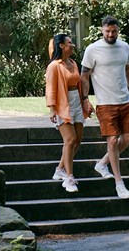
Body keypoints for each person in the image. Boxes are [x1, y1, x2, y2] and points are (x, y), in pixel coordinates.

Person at [80, 15, 129, 199]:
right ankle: (119, 184)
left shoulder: (124, 47)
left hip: (125, 100)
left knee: (128, 137)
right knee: (112, 140)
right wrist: (85, 99)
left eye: (114, 31)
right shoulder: (93, 49)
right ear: (102, 30)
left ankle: (102, 163)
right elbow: (84, 75)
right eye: (107, 31)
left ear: (118, 30)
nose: (111, 34)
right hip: (105, 103)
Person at [46, 33, 89, 193]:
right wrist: (52, 108)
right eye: (70, 43)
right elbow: (50, 88)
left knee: (77, 140)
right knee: (69, 140)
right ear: (62, 46)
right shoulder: (54, 66)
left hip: (76, 103)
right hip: (62, 105)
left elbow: (79, 84)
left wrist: (85, 101)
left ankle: (60, 169)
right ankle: (69, 178)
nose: (73, 45)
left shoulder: (73, 63)